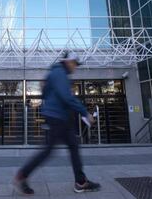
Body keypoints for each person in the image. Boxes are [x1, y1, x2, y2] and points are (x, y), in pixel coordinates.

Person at [14, 51, 101, 195]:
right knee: (49, 150)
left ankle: (80, 181)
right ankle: (22, 175)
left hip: (59, 117)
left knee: (71, 146)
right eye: (74, 63)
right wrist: (84, 112)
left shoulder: (55, 73)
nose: (75, 67)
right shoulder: (60, 73)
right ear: (67, 61)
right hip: (58, 117)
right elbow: (66, 97)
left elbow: (46, 93)